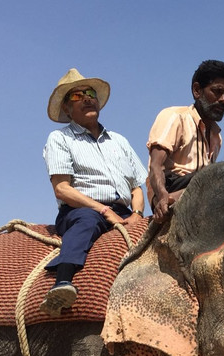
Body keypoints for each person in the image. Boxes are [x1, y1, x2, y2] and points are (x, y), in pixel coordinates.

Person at [41, 69, 147, 316]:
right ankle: (63, 282)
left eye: (90, 93)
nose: (87, 98)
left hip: (124, 210)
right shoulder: (60, 138)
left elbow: (136, 187)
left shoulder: (119, 140)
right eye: (78, 95)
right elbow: (62, 189)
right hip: (81, 210)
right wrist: (102, 210)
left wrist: (138, 213)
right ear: (67, 109)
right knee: (87, 222)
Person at [146, 60, 224, 222]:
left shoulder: (217, 137)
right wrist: (161, 197)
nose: (223, 99)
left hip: (203, 186)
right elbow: (155, 165)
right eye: (217, 92)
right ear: (197, 90)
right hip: (170, 185)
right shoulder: (175, 116)